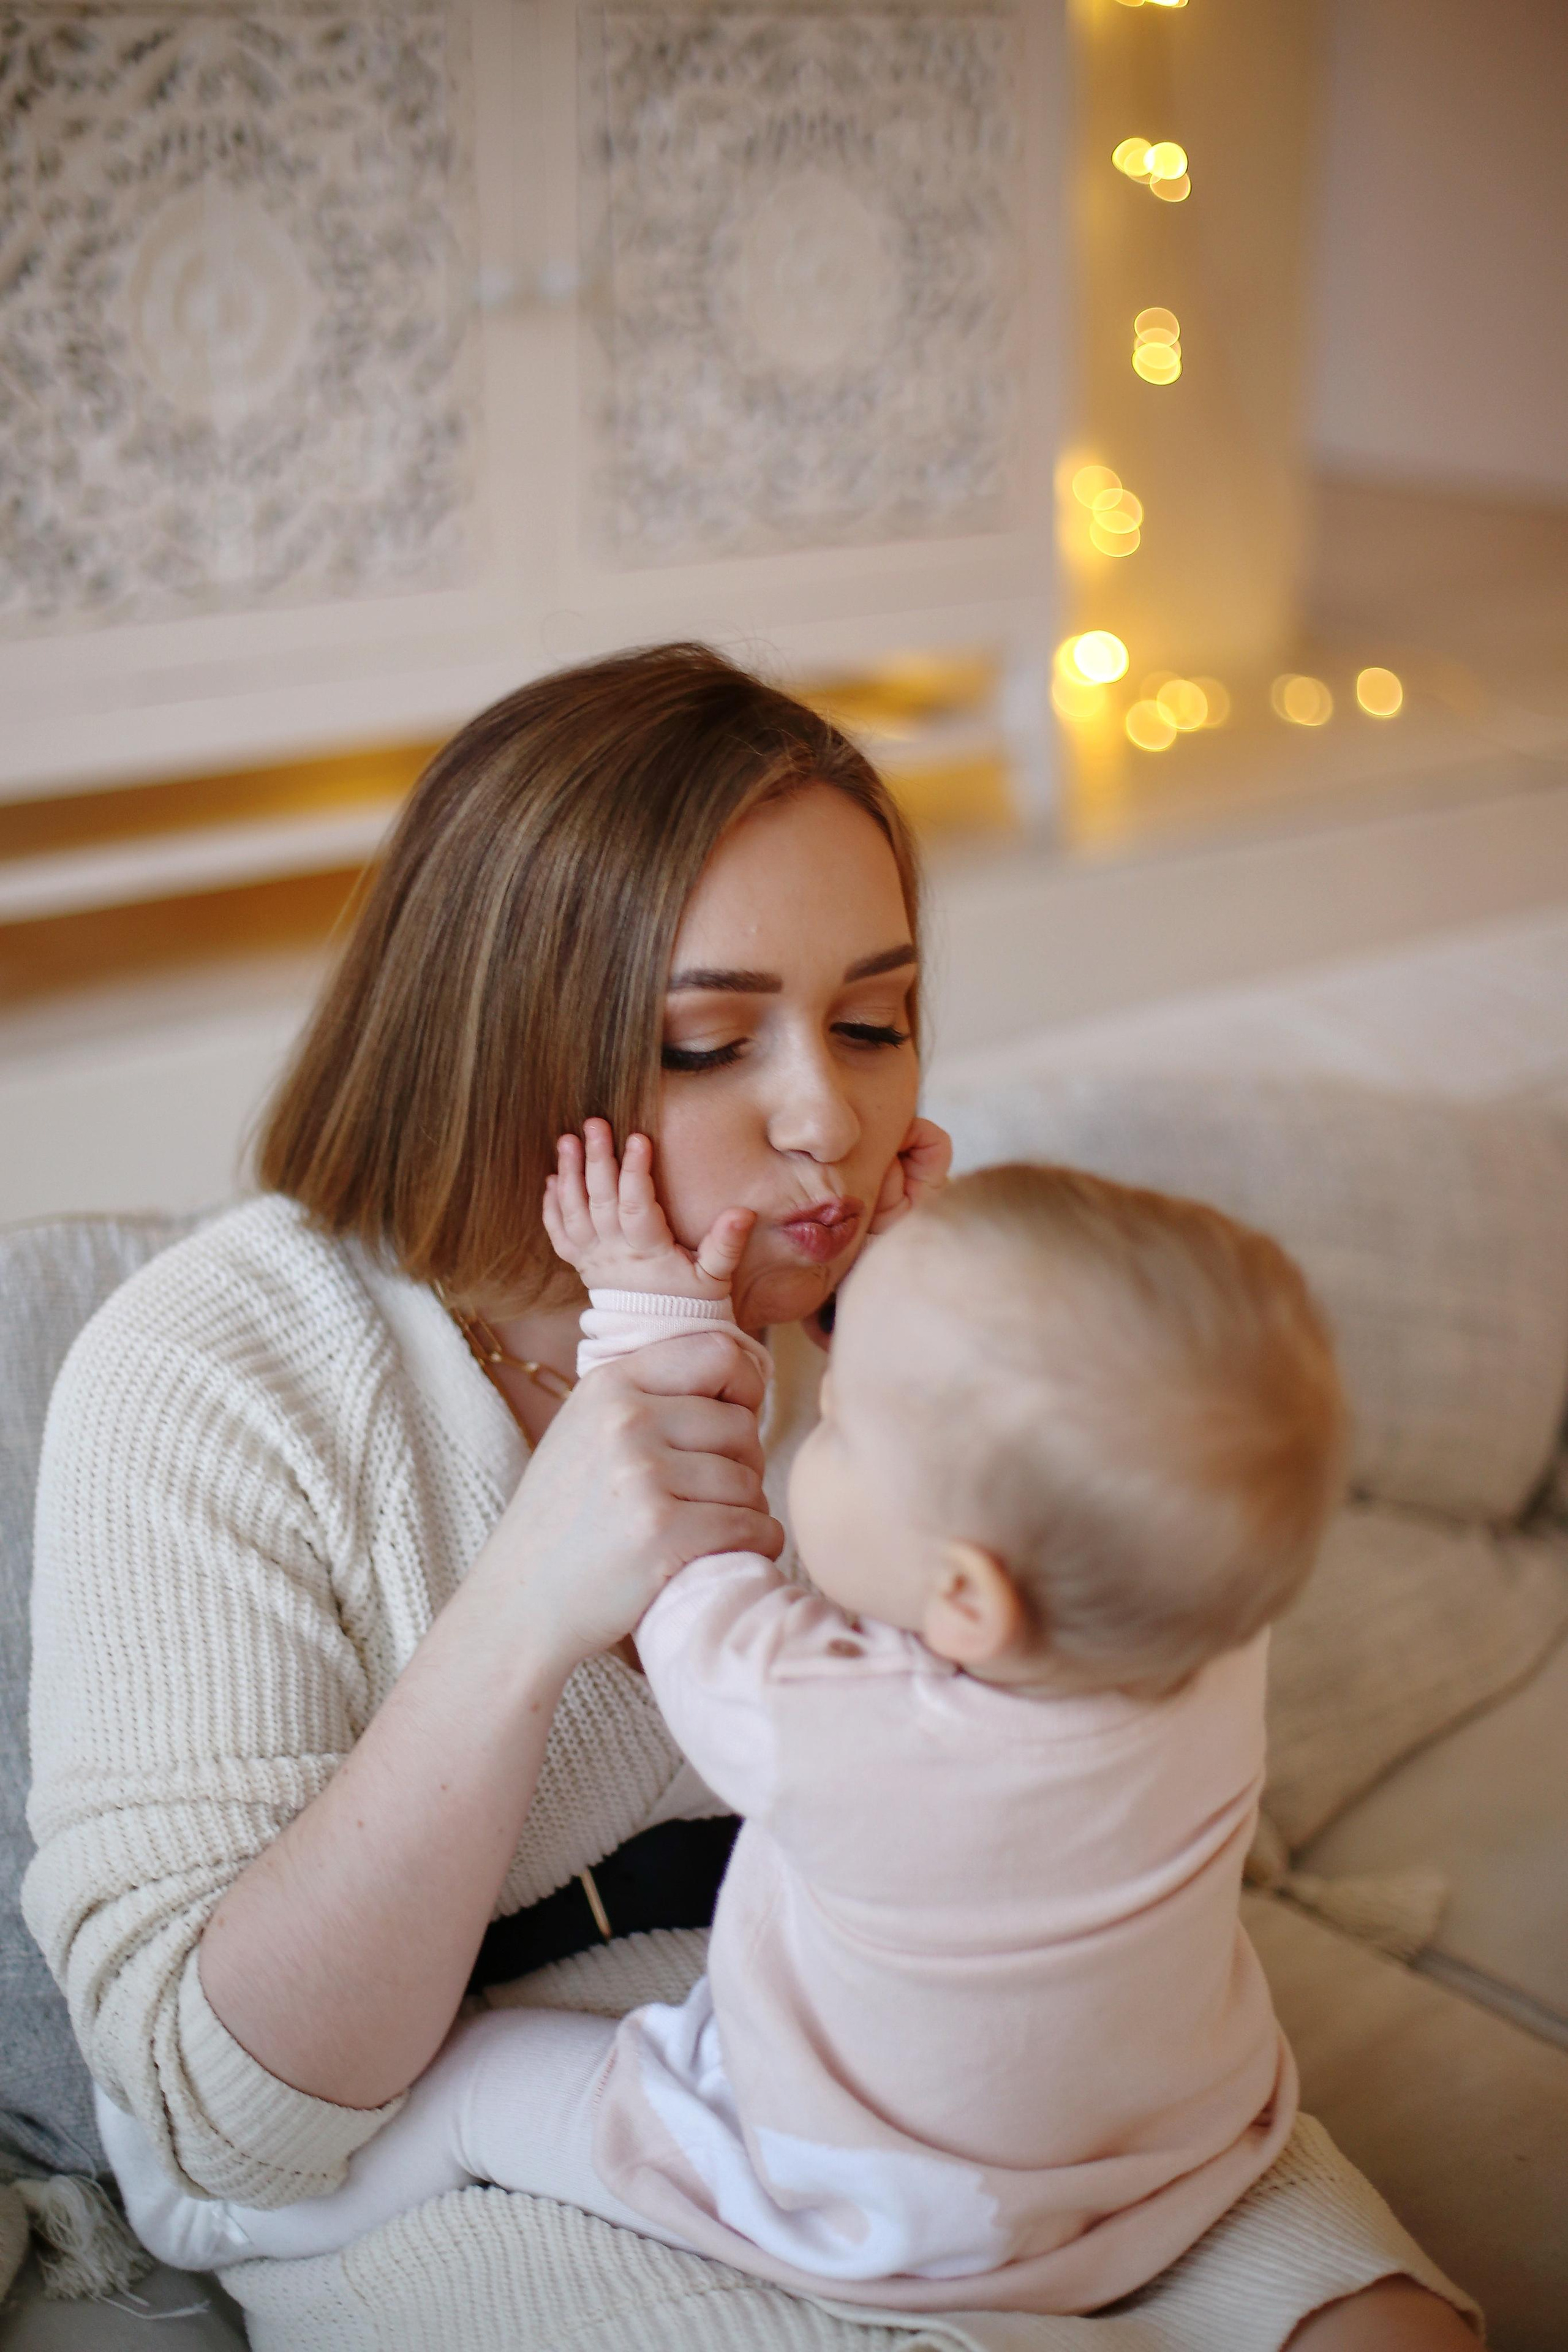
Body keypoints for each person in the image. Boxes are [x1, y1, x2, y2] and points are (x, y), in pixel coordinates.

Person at [27, 646, 1478, 2350]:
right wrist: (523, 1612)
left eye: (876, 1023)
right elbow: (228, 2126)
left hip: (930, 2062)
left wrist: (930, 1353)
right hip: (462, 2137)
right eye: (711, 1043)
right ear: (503, 1047)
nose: (834, 1119)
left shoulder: (886, 1314)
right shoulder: (212, 1375)